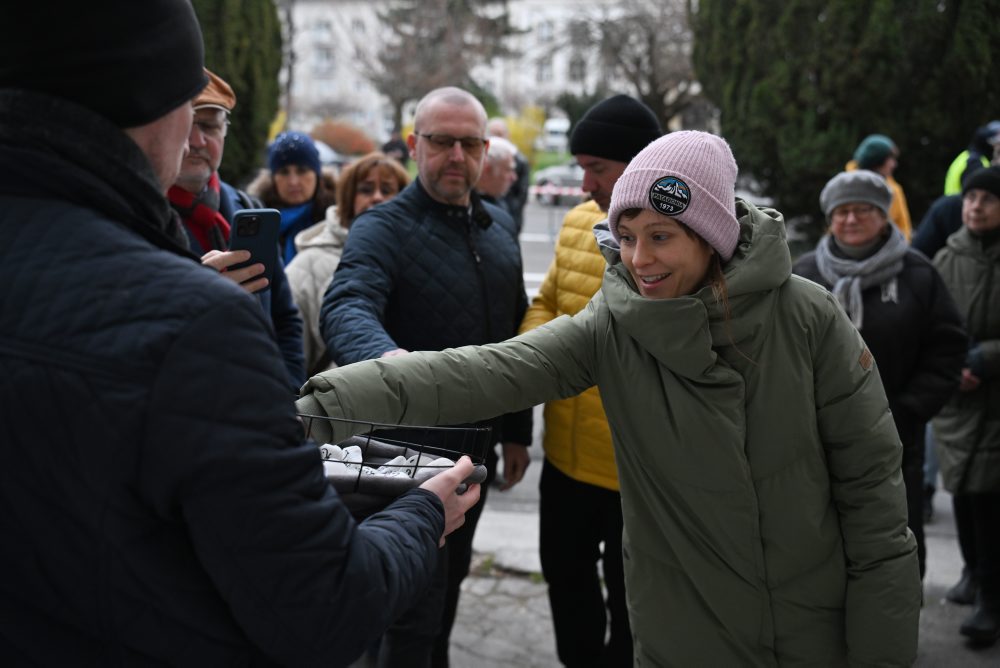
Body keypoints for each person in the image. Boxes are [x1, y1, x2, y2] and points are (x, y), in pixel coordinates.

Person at [299, 130, 921, 666]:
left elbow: (874, 500)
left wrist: (881, 653)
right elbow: (480, 374)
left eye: (661, 237)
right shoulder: (614, 324)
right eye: (625, 236)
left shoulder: (807, 317)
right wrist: (314, 408)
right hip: (685, 639)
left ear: (712, 236)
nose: (638, 259)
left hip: (814, 632)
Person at [0, 2, 481, 665]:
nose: (201, 139)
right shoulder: (194, 323)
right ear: (159, 108)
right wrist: (423, 514)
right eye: (191, 110)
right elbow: (324, 606)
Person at [319, 86, 532, 668]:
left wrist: (518, 431)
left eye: (469, 143)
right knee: (400, 616)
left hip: (473, 453)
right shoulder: (381, 227)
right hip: (397, 458)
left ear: (486, 150)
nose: (456, 155)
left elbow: (510, 340)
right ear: (415, 145)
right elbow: (345, 304)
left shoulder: (500, 232)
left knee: (445, 598)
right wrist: (390, 363)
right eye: (442, 142)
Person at [519, 93, 661, 668]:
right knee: (566, 582)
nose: (583, 185)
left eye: (596, 169)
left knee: (634, 605)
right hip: (565, 458)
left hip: (639, 469)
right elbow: (548, 301)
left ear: (639, 165)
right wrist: (532, 362)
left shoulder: (681, 241)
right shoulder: (580, 222)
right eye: (580, 168)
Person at [792, 170, 967, 579]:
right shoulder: (804, 273)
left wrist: (908, 410)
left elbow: (948, 347)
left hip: (896, 434)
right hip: (814, 436)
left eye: (863, 211)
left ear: (885, 216)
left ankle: (898, 629)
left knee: (895, 536)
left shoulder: (917, 274)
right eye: (842, 212)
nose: (850, 220)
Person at [168, 68, 305, 390]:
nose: (197, 141)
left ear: (224, 133)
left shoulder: (249, 208)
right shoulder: (138, 216)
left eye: (209, 126)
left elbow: (285, 319)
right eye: (187, 125)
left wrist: (288, 397)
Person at [932, 165, 1000, 645]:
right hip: (959, 396)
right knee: (960, 489)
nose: (975, 206)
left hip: (996, 399)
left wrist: (989, 357)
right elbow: (933, 323)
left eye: (988, 199)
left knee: (990, 498)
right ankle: (974, 572)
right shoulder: (945, 257)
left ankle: (991, 600)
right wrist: (955, 362)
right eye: (971, 197)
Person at [287, 152, 409, 376]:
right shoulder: (307, 265)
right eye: (366, 190)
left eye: (387, 190)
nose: (377, 198)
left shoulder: (416, 258)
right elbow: (288, 355)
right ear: (348, 198)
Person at [248, 130, 337, 265]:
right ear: (273, 179)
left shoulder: (337, 220)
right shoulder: (255, 223)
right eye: (284, 172)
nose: (293, 181)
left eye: (302, 170)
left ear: (317, 175)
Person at [847, 133, 912, 240]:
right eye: (890, 159)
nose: (894, 164)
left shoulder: (894, 189)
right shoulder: (846, 187)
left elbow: (903, 228)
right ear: (877, 161)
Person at [487, 117, 530, 232]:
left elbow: (522, 193)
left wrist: (507, 216)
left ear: (507, 135)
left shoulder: (519, 161)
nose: (496, 138)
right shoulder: (481, 159)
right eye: (493, 134)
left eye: (499, 134)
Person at [943, 121, 1000, 195]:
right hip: (961, 205)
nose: (997, 146)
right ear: (988, 143)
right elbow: (980, 193)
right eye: (996, 143)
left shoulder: (967, 156)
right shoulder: (975, 163)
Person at [474, 135, 518, 211]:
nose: (514, 177)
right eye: (508, 170)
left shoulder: (501, 203)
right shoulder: (466, 207)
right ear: (486, 169)